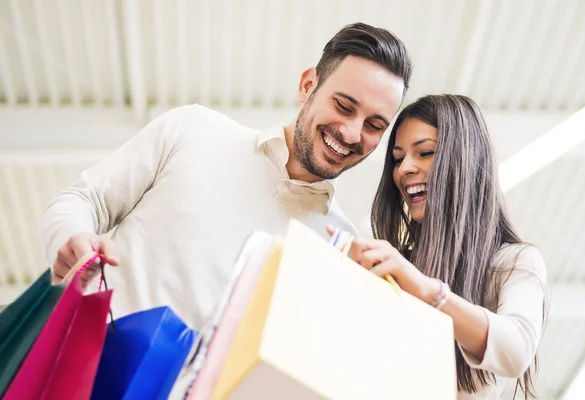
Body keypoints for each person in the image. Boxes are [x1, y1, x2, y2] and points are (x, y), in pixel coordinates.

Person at [39, 23, 413, 330]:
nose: (351, 133)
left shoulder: (343, 251)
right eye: (343, 106)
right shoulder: (193, 130)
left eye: (374, 125)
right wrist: (71, 237)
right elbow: (82, 201)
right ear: (307, 85)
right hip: (85, 363)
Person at [331, 95, 546, 399]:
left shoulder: (513, 262)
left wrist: (429, 292)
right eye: (397, 157)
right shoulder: (393, 268)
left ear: (465, 161)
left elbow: (516, 351)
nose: (404, 168)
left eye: (425, 152)